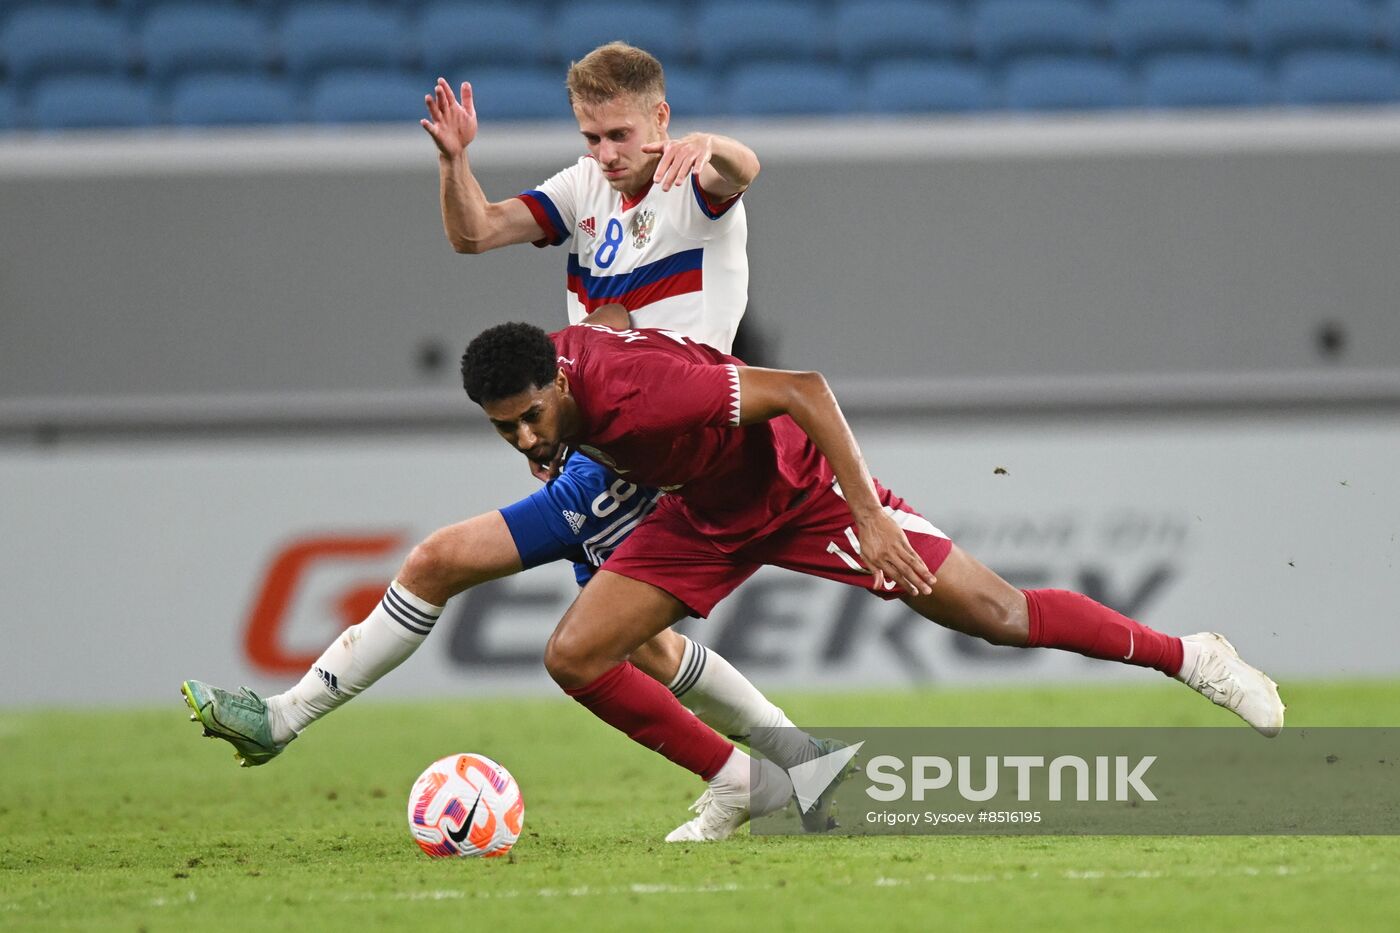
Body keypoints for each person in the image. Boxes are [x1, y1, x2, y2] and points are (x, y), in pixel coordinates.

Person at [182, 44, 830, 832]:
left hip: (654, 442)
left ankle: (282, 718)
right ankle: (796, 762)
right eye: (591, 136)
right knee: (646, 648)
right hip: (601, 440)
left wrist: (712, 144)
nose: (604, 153)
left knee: (444, 562)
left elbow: (745, 169)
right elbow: (475, 232)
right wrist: (456, 162)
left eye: (620, 135)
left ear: (660, 119)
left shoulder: (690, 182)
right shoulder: (584, 187)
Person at [459, 320, 1287, 842]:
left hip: (801, 494)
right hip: (699, 516)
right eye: (506, 427)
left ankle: (1192, 656)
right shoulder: (552, 369)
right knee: (576, 653)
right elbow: (611, 319)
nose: (525, 435)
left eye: (533, 415)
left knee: (995, 613)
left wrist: (867, 513)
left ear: (561, 382)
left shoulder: (648, 393)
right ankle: (742, 780)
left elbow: (804, 391)